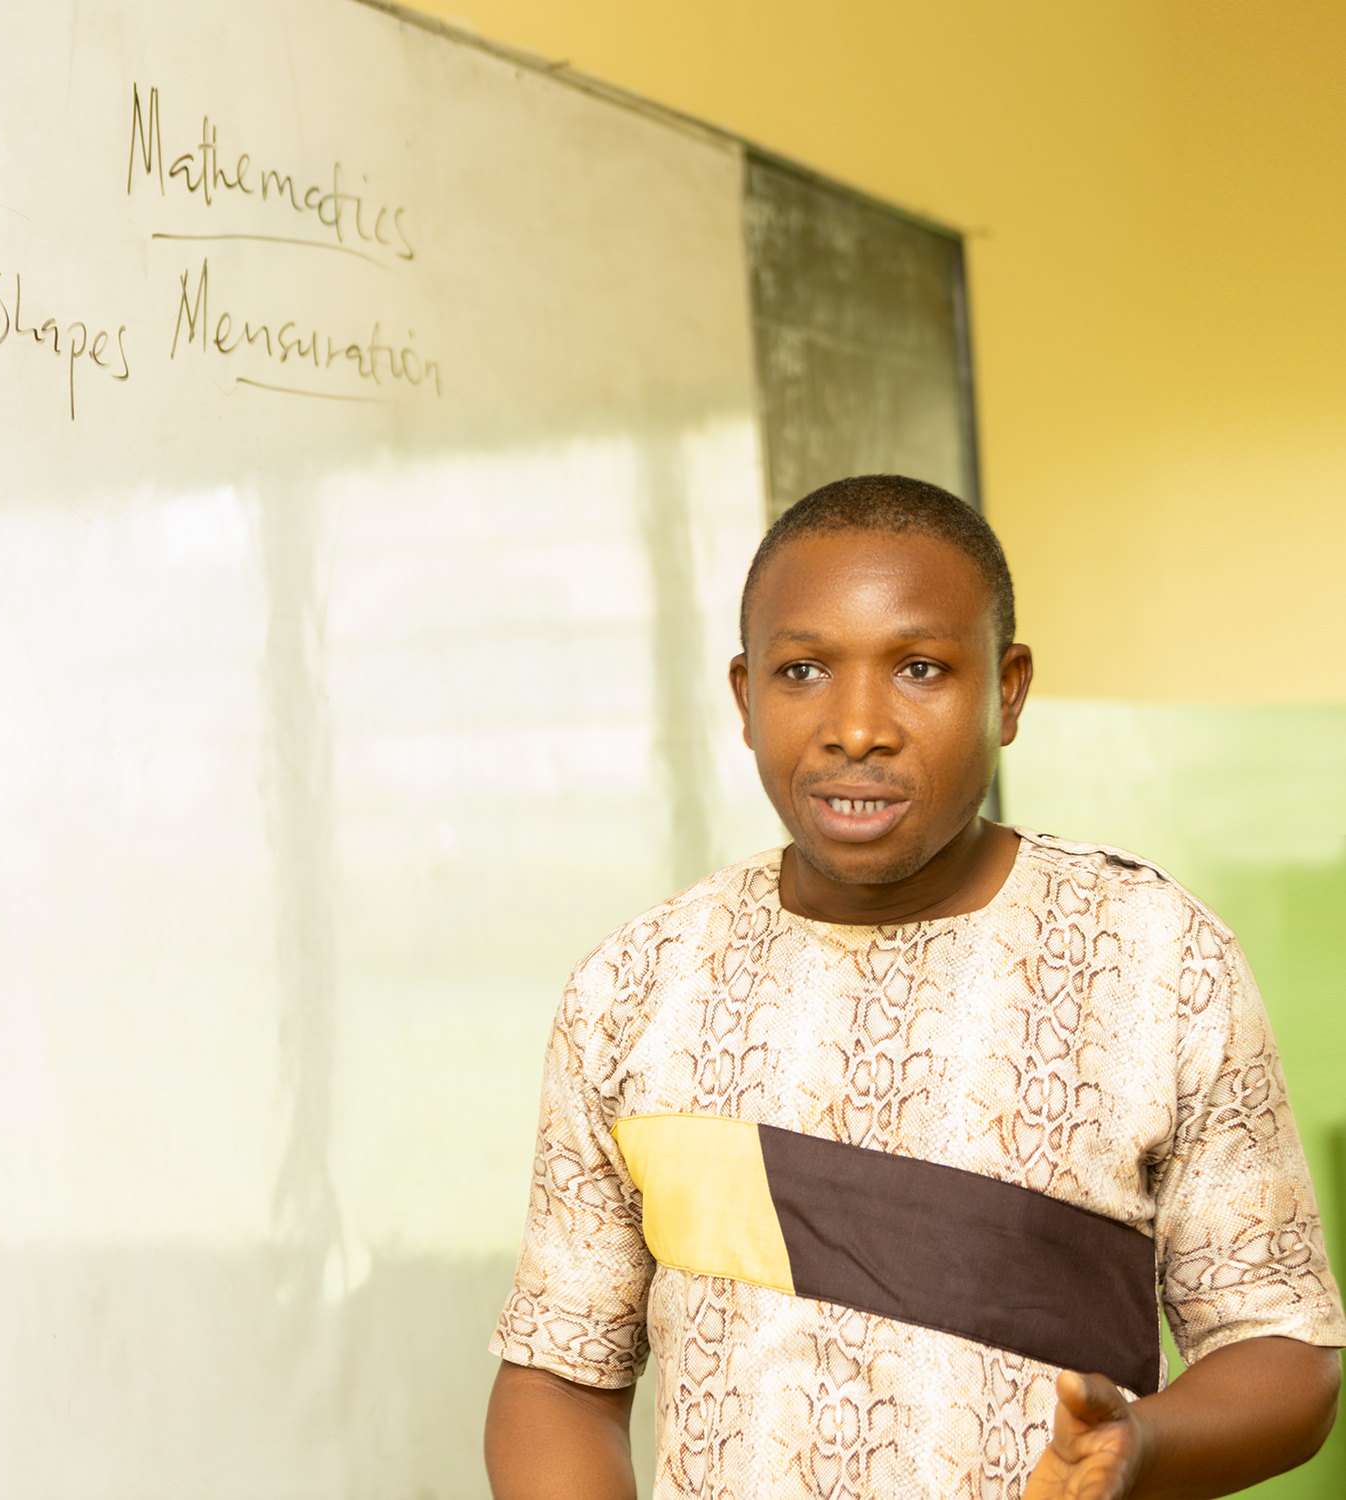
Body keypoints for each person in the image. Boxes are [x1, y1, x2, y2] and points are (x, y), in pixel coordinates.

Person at [484, 475, 1344, 1499]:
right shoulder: (632, 988)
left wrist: (1144, 1448)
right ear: (745, 697)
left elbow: (1284, 1351)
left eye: (921, 668)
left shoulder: (1159, 958)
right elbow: (560, 1374)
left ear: (1007, 691)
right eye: (802, 670)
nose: (857, 728)